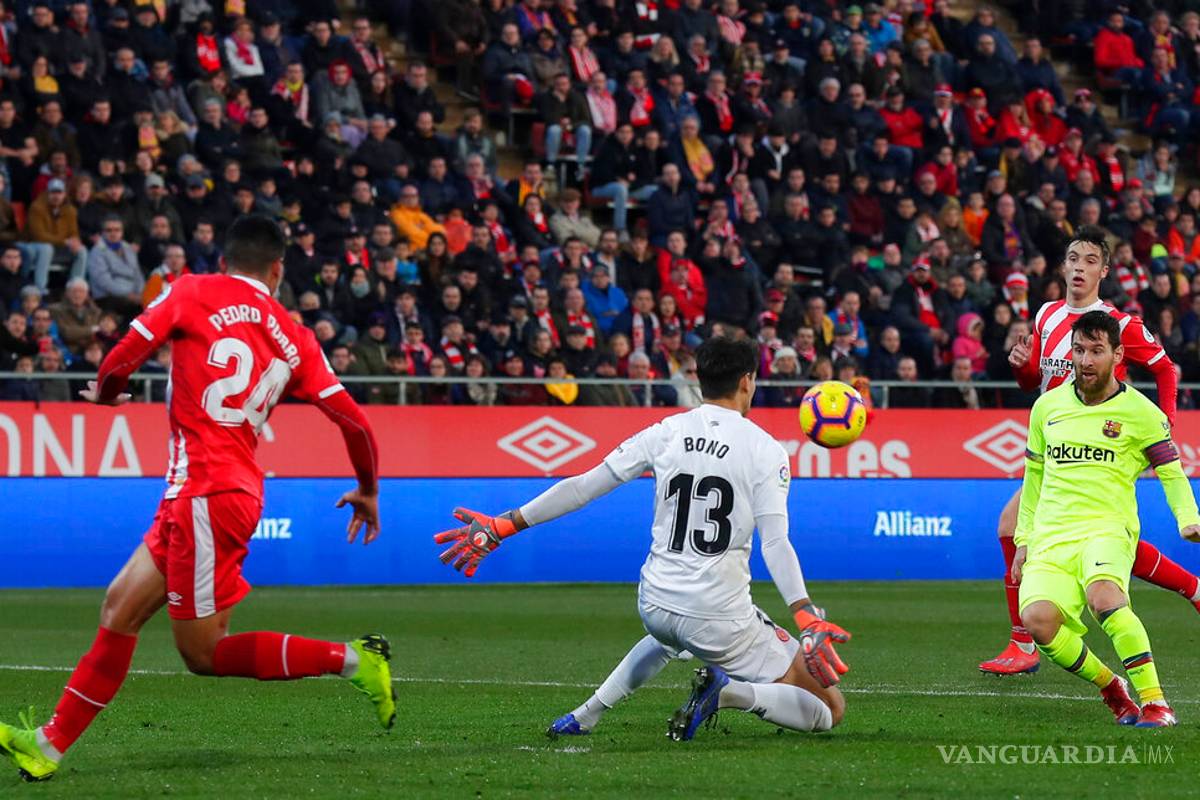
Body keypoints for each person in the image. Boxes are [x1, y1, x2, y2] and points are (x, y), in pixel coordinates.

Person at [0, 217, 394, 782]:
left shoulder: (191, 290)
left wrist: (108, 393)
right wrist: (369, 489)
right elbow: (355, 423)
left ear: (224, 259)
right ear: (277, 269)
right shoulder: (296, 336)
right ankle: (48, 744)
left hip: (210, 492)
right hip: (201, 491)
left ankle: (356, 660)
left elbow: (123, 355)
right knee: (119, 607)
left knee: (203, 653)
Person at [432, 337, 847, 741]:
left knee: (671, 636)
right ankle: (729, 693)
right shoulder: (765, 449)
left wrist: (503, 525)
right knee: (830, 706)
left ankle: (586, 714)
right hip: (719, 620)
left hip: (655, 603)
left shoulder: (666, 431)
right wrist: (805, 615)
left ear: (699, 379)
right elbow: (775, 542)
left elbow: (583, 487)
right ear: (747, 381)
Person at [979, 227, 1200, 677]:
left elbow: (1165, 370)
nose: (1080, 267)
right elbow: (1036, 382)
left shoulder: (1119, 324)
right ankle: (1194, 589)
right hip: (1056, 443)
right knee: (1103, 541)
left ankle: (1023, 641)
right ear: (1063, 267)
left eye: (1090, 260)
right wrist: (1022, 368)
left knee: (1012, 525)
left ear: (1104, 271)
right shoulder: (1046, 315)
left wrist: (1163, 426)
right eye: (1073, 259)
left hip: (1102, 443)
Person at [1015, 310, 1200, 728]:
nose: (1085, 360)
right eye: (1079, 350)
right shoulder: (1046, 408)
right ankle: (1111, 686)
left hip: (1108, 528)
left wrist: (1188, 518)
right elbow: (1034, 478)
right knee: (1038, 622)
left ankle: (1155, 702)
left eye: (1096, 351)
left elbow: (1171, 471)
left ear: (1117, 355)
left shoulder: (1142, 413)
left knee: (1105, 598)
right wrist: (1024, 539)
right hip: (1051, 534)